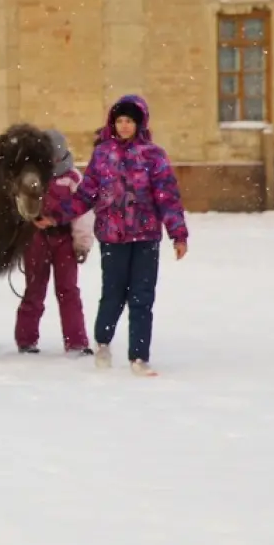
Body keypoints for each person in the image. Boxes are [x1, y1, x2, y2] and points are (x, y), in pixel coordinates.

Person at [54, 95, 188, 377]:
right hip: (112, 237)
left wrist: (178, 234)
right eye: (120, 121)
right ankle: (103, 341)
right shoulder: (103, 154)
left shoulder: (154, 156)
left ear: (139, 124)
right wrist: (56, 215)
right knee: (113, 294)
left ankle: (139, 356)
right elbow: (86, 194)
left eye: (129, 121)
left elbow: (168, 197)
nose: (124, 126)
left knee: (142, 297)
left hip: (146, 237)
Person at [13, 130, 94, 356]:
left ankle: (76, 341)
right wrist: (28, 222)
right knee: (34, 289)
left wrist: (82, 243)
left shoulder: (72, 177)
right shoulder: (30, 177)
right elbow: (19, 207)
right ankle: (26, 339)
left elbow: (83, 212)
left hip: (64, 239)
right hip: (36, 240)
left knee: (68, 290)